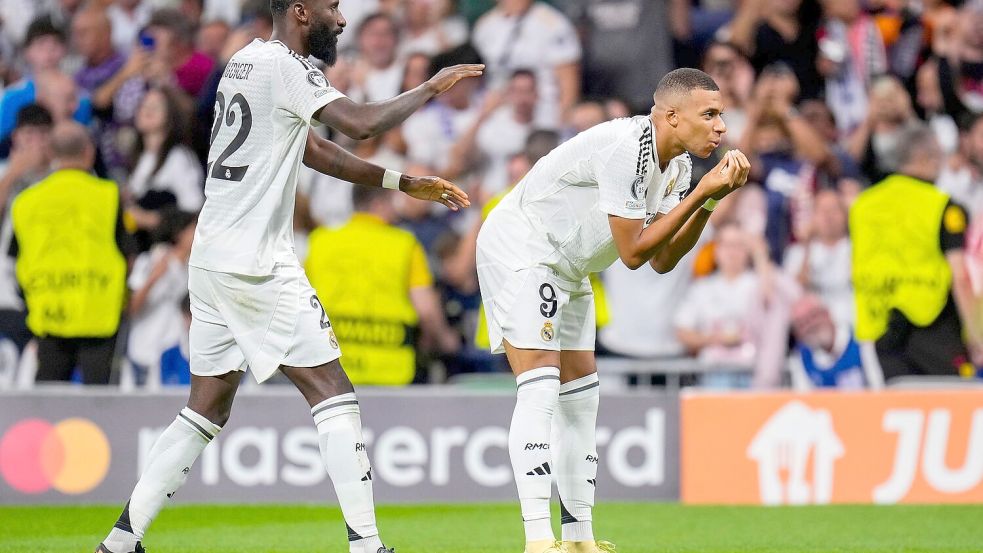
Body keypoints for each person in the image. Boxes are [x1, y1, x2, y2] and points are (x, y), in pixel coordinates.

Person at [94, 0, 480, 552]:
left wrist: (401, 182)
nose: (342, 20)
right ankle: (367, 546)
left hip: (210, 256)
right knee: (334, 395)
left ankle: (119, 542)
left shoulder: (244, 61)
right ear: (301, 12)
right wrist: (432, 87)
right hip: (256, 263)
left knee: (206, 406)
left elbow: (315, 149)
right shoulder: (288, 67)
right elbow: (363, 124)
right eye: (333, 7)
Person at [475, 68, 749, 553]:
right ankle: (538, 539)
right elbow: (634, 253)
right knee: (540, 387)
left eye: (720, 115)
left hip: (572, 267)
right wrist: (704, 194)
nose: (721, 127)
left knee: (581, 399)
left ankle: (579, 540)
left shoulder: (679, 167)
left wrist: (706, 204)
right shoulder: (627, 147)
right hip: (523, 249)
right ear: (671, 116)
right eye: (709, 114)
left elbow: (663, 260)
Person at [850, 125, 981, 382]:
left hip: (879, 330)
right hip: (935, 325)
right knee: (947, 410)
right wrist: (977, 337)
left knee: (901, 408)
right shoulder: (943, 206)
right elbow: (960, 277)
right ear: (925, 157)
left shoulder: (862, 205)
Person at [10, 122, 131, 385]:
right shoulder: (109, 195)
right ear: (89, 152)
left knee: (50, 405)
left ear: (51, 153)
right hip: (99, 315)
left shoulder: (25, 201)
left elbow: (16, 258)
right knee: (100, 408)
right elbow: (126, 252)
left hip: (49, 313)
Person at [305, 185, 459, 385]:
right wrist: (448, 342)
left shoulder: (320, 241)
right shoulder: (405, 244)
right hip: (392, 370)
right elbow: (427, 311)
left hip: (333, 371)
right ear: (379, 203)